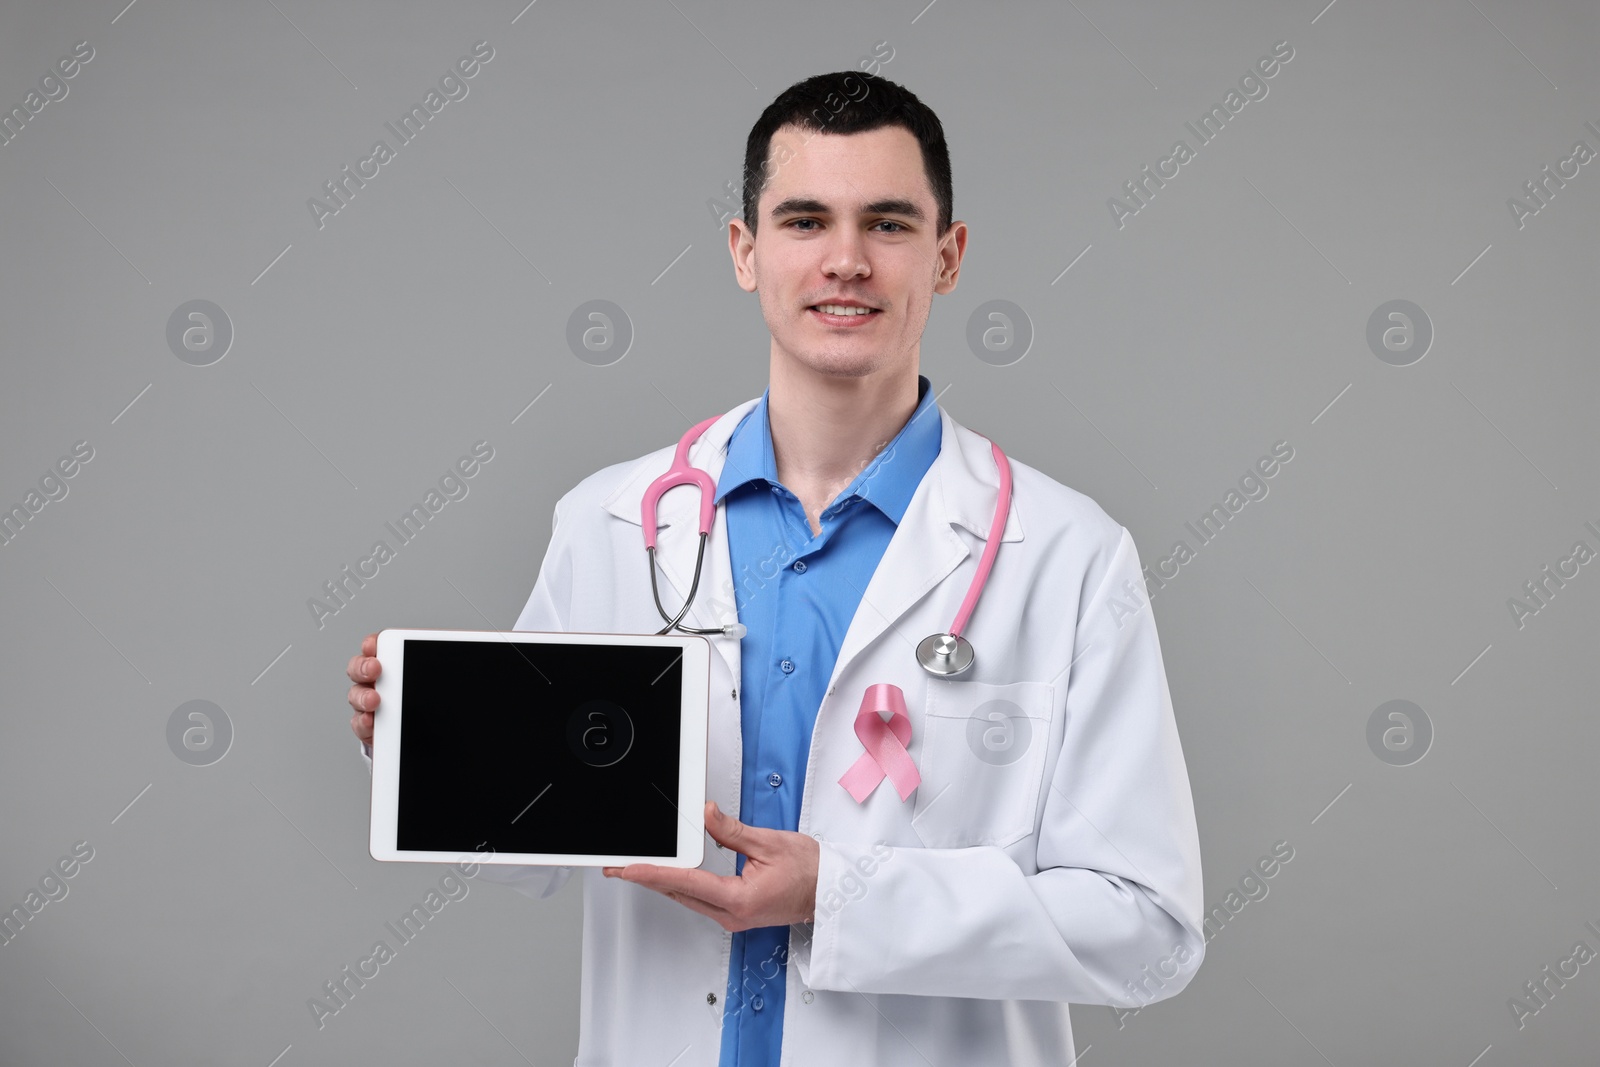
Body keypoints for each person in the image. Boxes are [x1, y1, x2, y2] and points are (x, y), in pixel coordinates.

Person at [347, 70, 1204, 1066]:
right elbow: (533, 850)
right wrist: (429, 741)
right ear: (745, 252)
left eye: (887, 223)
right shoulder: (610, 522)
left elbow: (1147, 929)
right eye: (804, 221)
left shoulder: (1065, 555)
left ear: (949, 254)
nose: (845, 261)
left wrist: (841, 896)